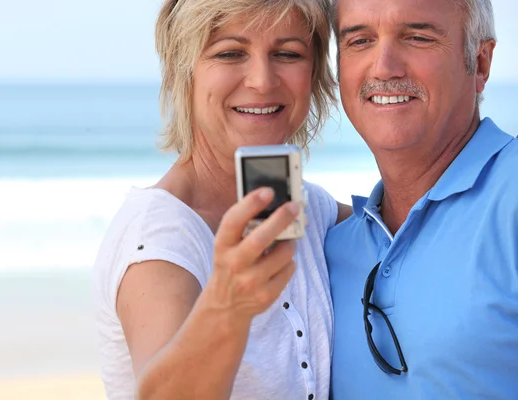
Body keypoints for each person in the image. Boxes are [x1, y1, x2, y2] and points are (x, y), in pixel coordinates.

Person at [92, 0, 349, 399]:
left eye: (287, 54)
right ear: (184, 70)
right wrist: (228, 308)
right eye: (230, 52)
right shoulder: (159, 240)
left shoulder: (314, 209)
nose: (263, 80)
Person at [324, 0, 518, 398]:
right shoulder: (329, 246)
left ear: (479, 63)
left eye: (417, 37)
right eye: (360, 40)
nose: (383, 67)